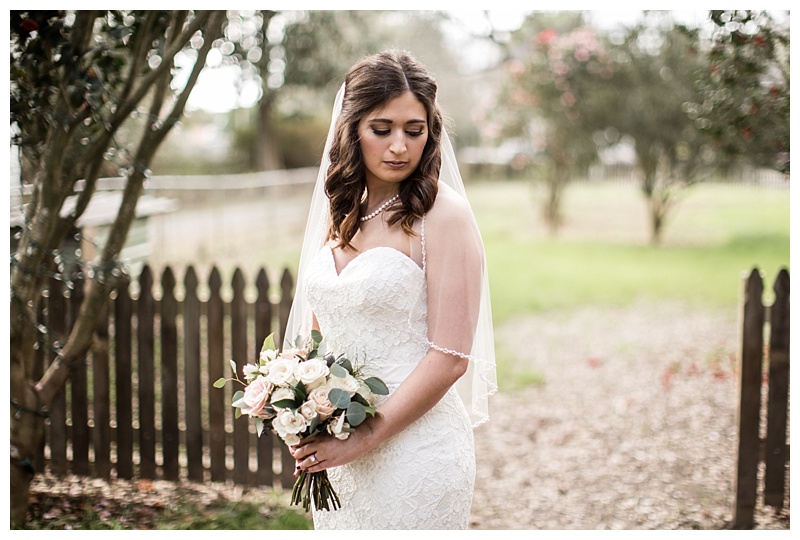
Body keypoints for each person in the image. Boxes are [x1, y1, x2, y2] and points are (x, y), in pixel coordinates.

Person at [284, 49, 496, 530]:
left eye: (413, 130)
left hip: (417, 454)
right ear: (352, 128)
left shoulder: (443, 215)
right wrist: (299, 409)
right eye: (383, 129)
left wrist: (362, 439)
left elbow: (449, 356)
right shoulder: (341, 210)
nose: (399, 146)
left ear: (430, 132)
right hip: (339, 451)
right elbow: (319, 342)